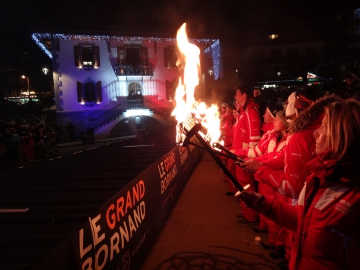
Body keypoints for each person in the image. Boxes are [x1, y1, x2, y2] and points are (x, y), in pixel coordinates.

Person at [239, 99, 360, 270]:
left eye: (323, 126)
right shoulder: (319, 179)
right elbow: (305, 220)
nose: (316, 133)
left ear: (341, 135)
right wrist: (263, 203)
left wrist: (261, 170)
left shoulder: (354, 196)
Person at [226, 84, 261, 224]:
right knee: (242, 183)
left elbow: (254, 137)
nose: (235, 96)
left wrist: (249, 156)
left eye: (238, 93)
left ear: (245, 95)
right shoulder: (243, 111)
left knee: (246, 184)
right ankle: (247, 213)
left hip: (244, 155)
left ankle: (251, 216)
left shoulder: (250, 111)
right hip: (239, 153)